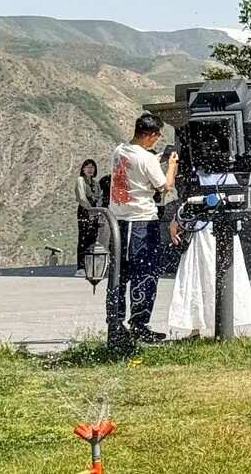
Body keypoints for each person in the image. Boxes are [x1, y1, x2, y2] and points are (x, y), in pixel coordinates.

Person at [110, 111, 178, 341]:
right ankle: (139, 323)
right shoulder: (147, 159)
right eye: (156, 136)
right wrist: (170, 166)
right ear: (150, 136)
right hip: (141, 221)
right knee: (145, 272)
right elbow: (164, 186)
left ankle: (115, 322)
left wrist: (154, 159)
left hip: (118, 220)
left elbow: (135, 169)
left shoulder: (119, 151)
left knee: (119, 274)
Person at [166, 169, 251, 338]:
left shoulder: (228, 175)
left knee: (217, 276)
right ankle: (196, 327)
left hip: (221, 229)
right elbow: (187, 201)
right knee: (198, 277)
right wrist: (177, 219)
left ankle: (228, 327)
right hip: (201, 230)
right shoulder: (196, 175)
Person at [75, 158, 101, 271]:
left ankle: (90, 265)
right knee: (83, 238)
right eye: (88, 167)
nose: (90, 170)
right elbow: (81, 197)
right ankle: (81, 266)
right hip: (84, 212)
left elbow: (99, 197)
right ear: (83, 169)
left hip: (95, 212)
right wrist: (89, 208)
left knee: (93, 238)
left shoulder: (96, 183)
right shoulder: (80, 180)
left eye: (92, 167)